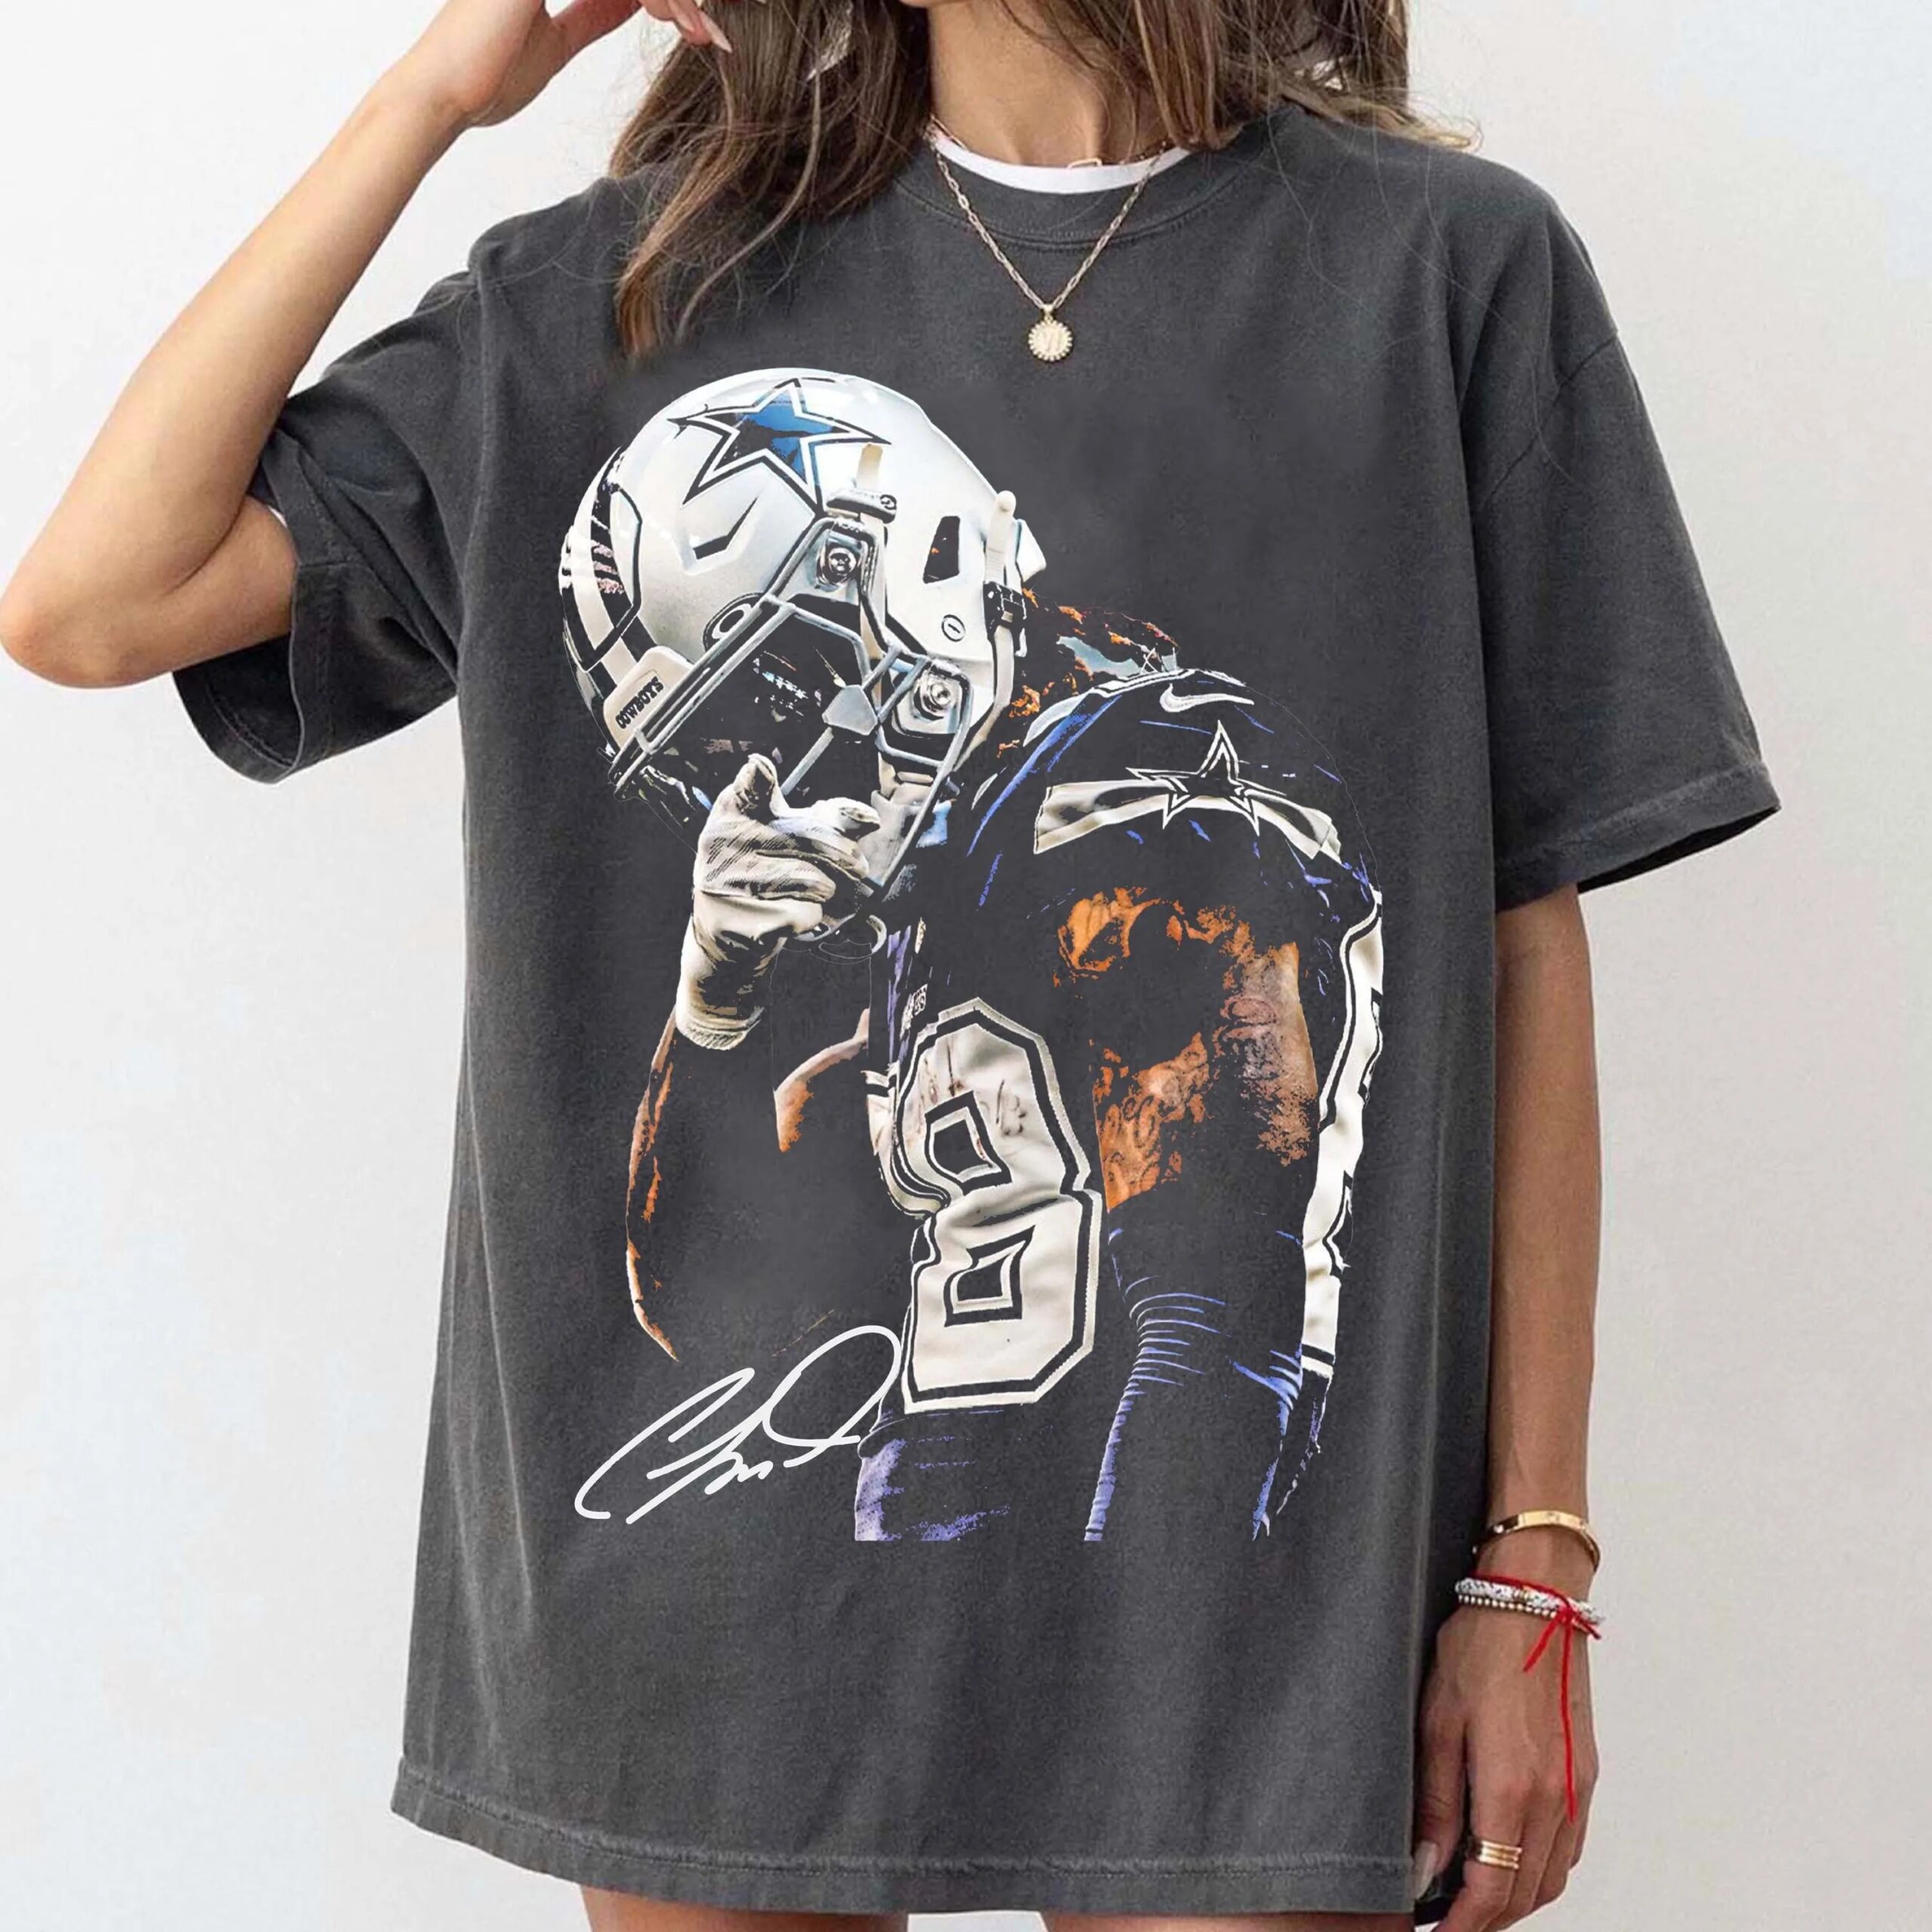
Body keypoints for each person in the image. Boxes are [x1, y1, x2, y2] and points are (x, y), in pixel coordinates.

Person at [0, 3, 1780, 1930]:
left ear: (920, 573)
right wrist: (438, 89)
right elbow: (95, 600)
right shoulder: (621, 290)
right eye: (719, 749)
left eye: (789, 694)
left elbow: (1517, 950)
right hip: (727, 1615)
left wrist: (1531, 1552)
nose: (771, 786)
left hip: (1232, 1602)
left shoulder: (1434, 271)